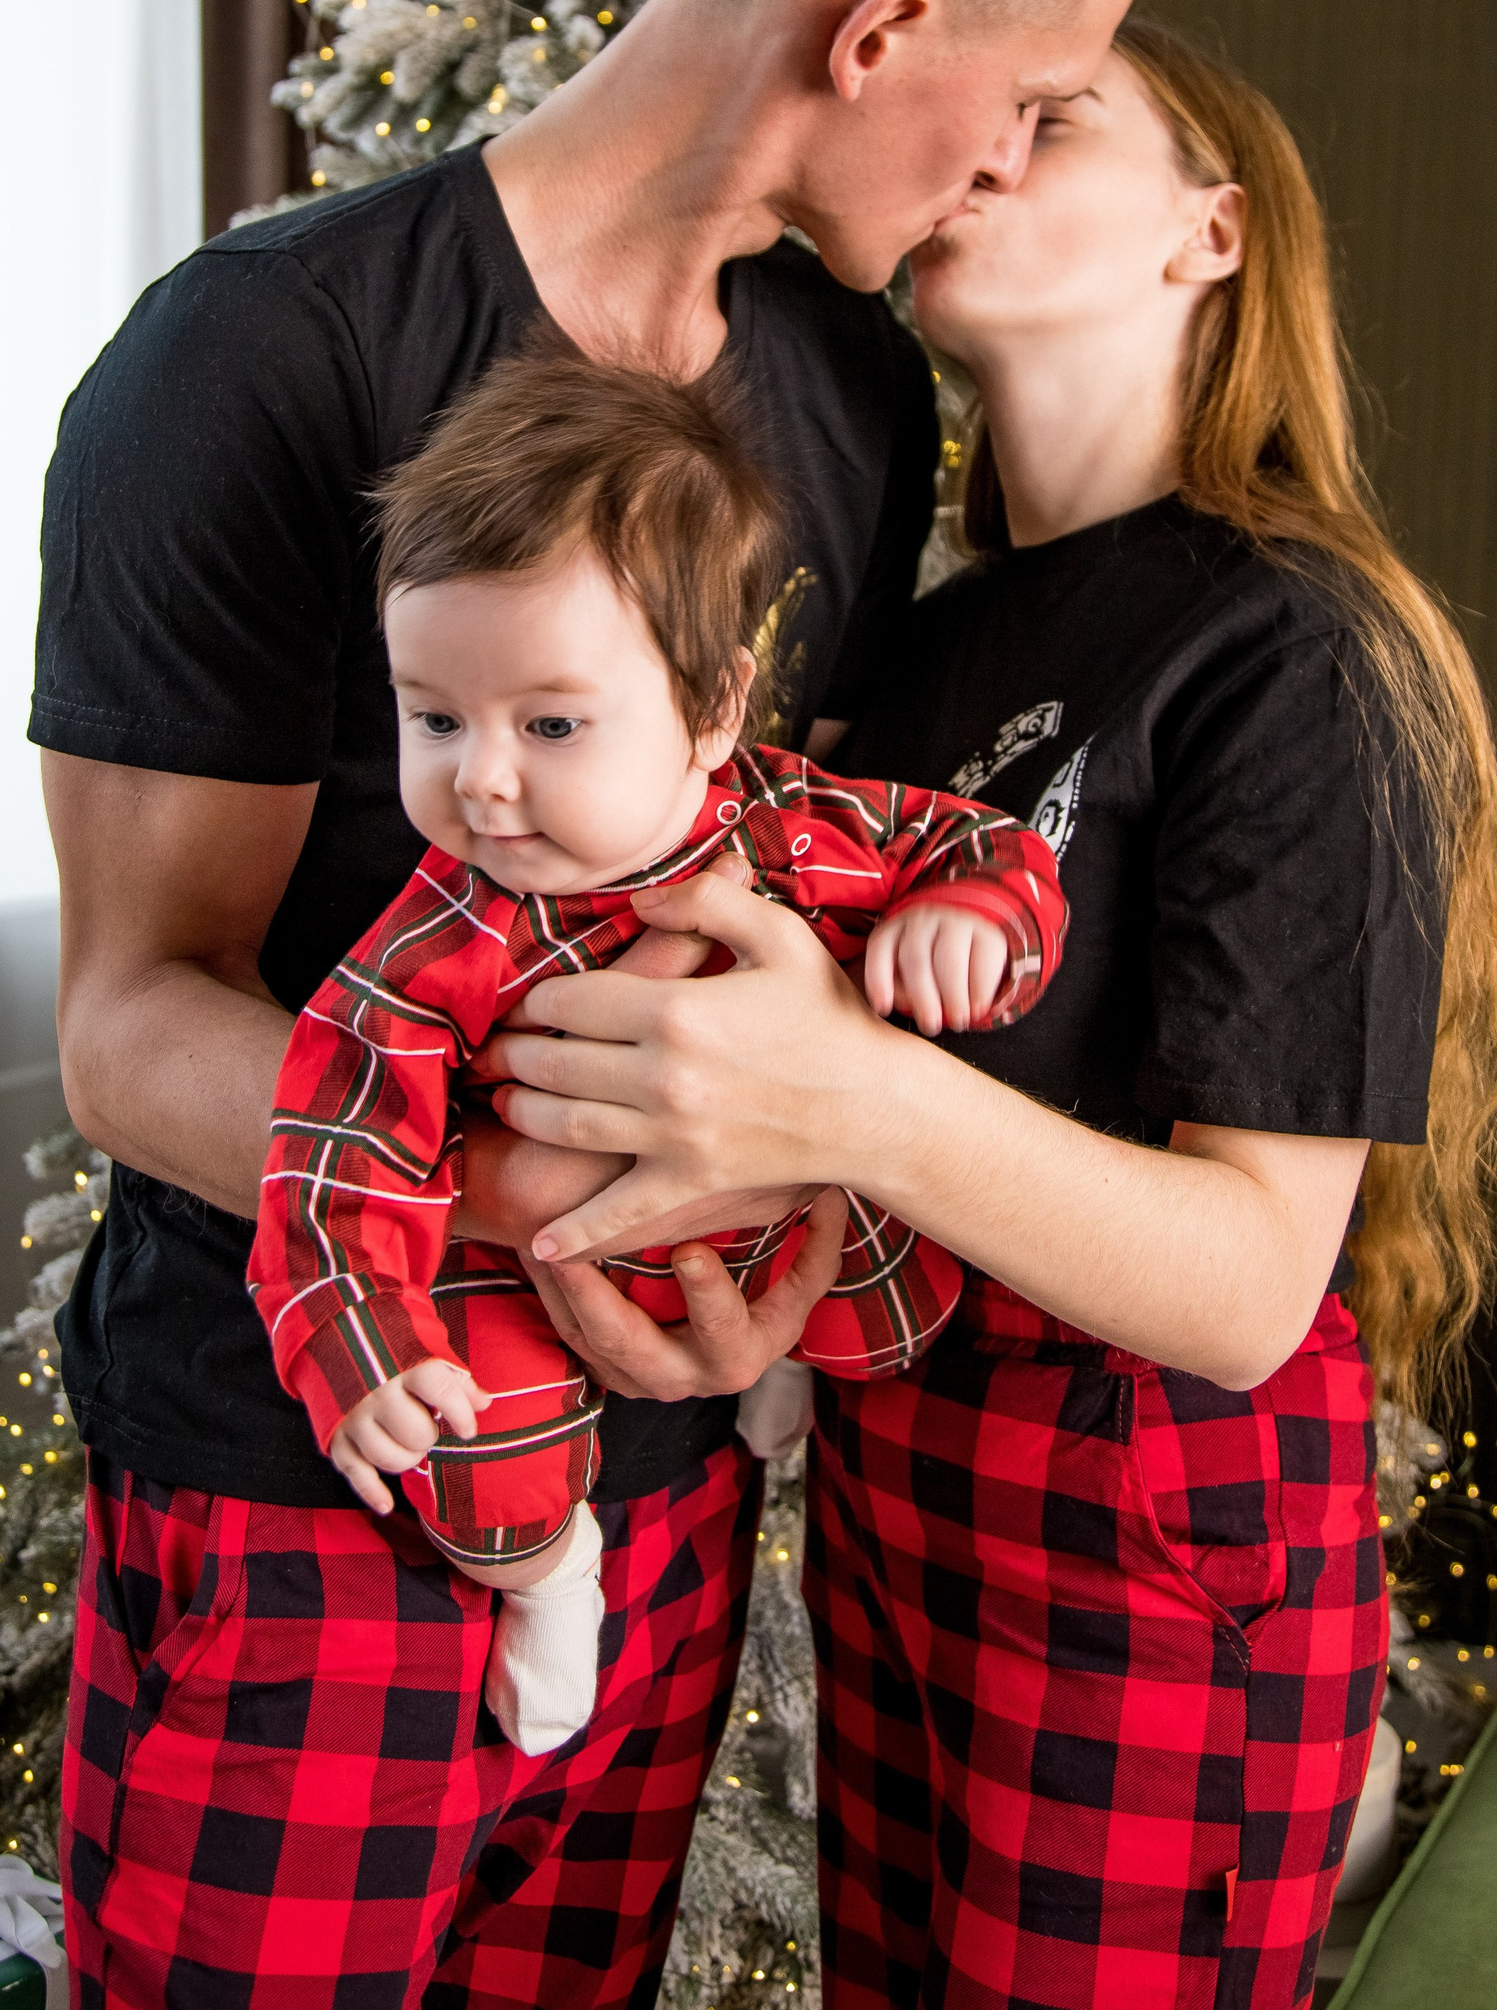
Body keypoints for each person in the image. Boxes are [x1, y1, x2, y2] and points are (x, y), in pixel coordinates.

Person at [34, 0, 1158, 2008]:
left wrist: (760, 1251)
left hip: (659, 1494)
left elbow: (753, 899)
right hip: (318, 1464)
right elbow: (131, 1027)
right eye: (1030, 97)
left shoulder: (854, 398)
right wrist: (541, 1206)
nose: (1010, 164)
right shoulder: (265, 357)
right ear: (880, 35)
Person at [484, 24, 1497, 2010]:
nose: (984, 148)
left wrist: (847, 1097)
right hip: (907, 1483)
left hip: (1159, 1525)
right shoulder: (922, 644)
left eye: (1056, 122)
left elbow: (1247, 1288)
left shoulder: (1295, 646)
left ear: (1209, 235)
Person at [248, 353, 1064, 1758]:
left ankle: (791, 1356)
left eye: (551, 723)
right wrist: (360, 1341)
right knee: (474, 1450)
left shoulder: (793, 825)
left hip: (804, 1220)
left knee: (894, 1305)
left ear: (712, 708)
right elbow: (332, 1147)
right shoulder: (442, 934)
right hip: (545, 1270)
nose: (480, 777)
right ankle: (548, 1572)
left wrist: (972, 918)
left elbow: (979, 844)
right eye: (434, 717)